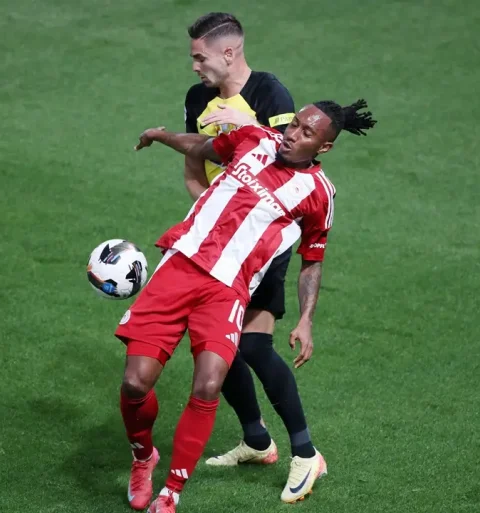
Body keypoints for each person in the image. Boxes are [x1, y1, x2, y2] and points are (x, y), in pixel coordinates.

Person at [117, 99, 376, 512]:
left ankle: (171, 493)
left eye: (307, 133)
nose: (293, 134)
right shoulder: (255, 138)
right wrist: (162, 136)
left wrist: (306, 320)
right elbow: (203, 147)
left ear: (324, 147)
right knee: (134, 383)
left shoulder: (319, 194)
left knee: (208, 384)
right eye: (294, 124)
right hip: (179, 266)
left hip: (227, 291)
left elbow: (312, 261)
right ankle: (144, 456)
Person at [180, 12, 325, 502]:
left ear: (229, 52)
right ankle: (257, 440)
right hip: (215, 244)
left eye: (200, 57)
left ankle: (305, 452)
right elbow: (195, 161)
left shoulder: (271, 95)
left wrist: (248, 126)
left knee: (254, 347)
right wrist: (209, 215)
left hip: (263, 245)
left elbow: (293, 163)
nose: (194, 66)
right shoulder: (196, 99)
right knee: (212, 345)